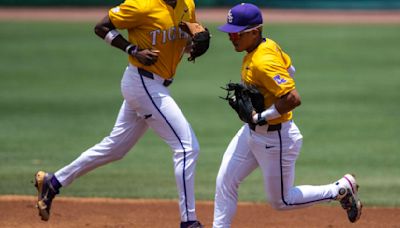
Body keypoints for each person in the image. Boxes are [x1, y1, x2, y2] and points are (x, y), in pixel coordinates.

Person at [34, 0, 206, 227]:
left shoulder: (187, 4)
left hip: (155, 85)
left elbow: (185, 37)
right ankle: (189, 222)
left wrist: (194, 44)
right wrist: (132, 49)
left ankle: (52, 182)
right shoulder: (140, 5)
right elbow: (101, 27)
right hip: (142, 82)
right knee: (186, 147)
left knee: (115, 148)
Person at [212, 3, 362, 227]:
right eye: (230, 33)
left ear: (254, 31)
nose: (231, 38)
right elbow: (290, 69)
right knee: (225, 181)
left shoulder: (264, 61)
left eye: (236, 33)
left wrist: (261, 115)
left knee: (281, 201)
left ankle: (340, 189)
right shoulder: (266, 45)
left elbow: (293, 99)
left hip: (275, 138)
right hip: (251, 133)